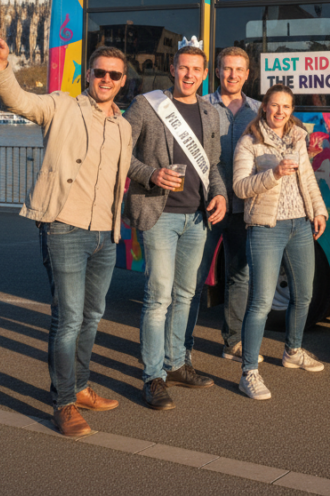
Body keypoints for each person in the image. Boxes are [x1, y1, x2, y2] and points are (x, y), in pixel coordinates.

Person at [0, 37, 132, 437]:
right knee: (67, 320)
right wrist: (1, 68)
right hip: (64, 227)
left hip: (105, 233)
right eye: (99, 72)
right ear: (89, 76)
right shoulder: (62, 106)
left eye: (113, 75)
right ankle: (63, 403)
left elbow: (125, 169)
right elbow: (20, 101)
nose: (105, 79)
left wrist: (153, 175)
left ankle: (80, 387)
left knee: (92, 316)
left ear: (122, 81)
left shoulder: (123, 125)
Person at [124, 37, 228, 410]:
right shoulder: (146, 105)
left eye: (196, 70)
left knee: (186, 295)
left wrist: (220, 194)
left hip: (197, 216)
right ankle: (153, 377)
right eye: (183, 67)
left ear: (204, 75)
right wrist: (151, 174)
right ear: (173, 69)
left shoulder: (210, 112)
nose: (189, 74)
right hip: (160, 215)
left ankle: (177, 363)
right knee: (158, 298)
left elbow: (212, 165)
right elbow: (121, 152)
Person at [233, 85, 328, 400]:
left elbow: (308, 179)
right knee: (260, 302)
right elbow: (240, 188)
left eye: (286, 107)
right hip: (266, 227)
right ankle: (249, 372)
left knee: (304, 295)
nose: (280, 112)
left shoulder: (298, 137)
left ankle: (293, 350)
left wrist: (318, 211)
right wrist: (273, 173)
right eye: (275, 106)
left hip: (300, 225)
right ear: (264, 107)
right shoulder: (249, 143)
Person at [187, 47, 263, 365]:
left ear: (248, 74)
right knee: (193, 277)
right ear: (217, 71)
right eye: (227, 68)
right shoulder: (200, 106)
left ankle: (232, 342)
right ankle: (182, 346)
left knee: (239, 276)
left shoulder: (259, 110)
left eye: (239, 69)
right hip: (207, 206)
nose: (232, 74)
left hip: (244, 208)